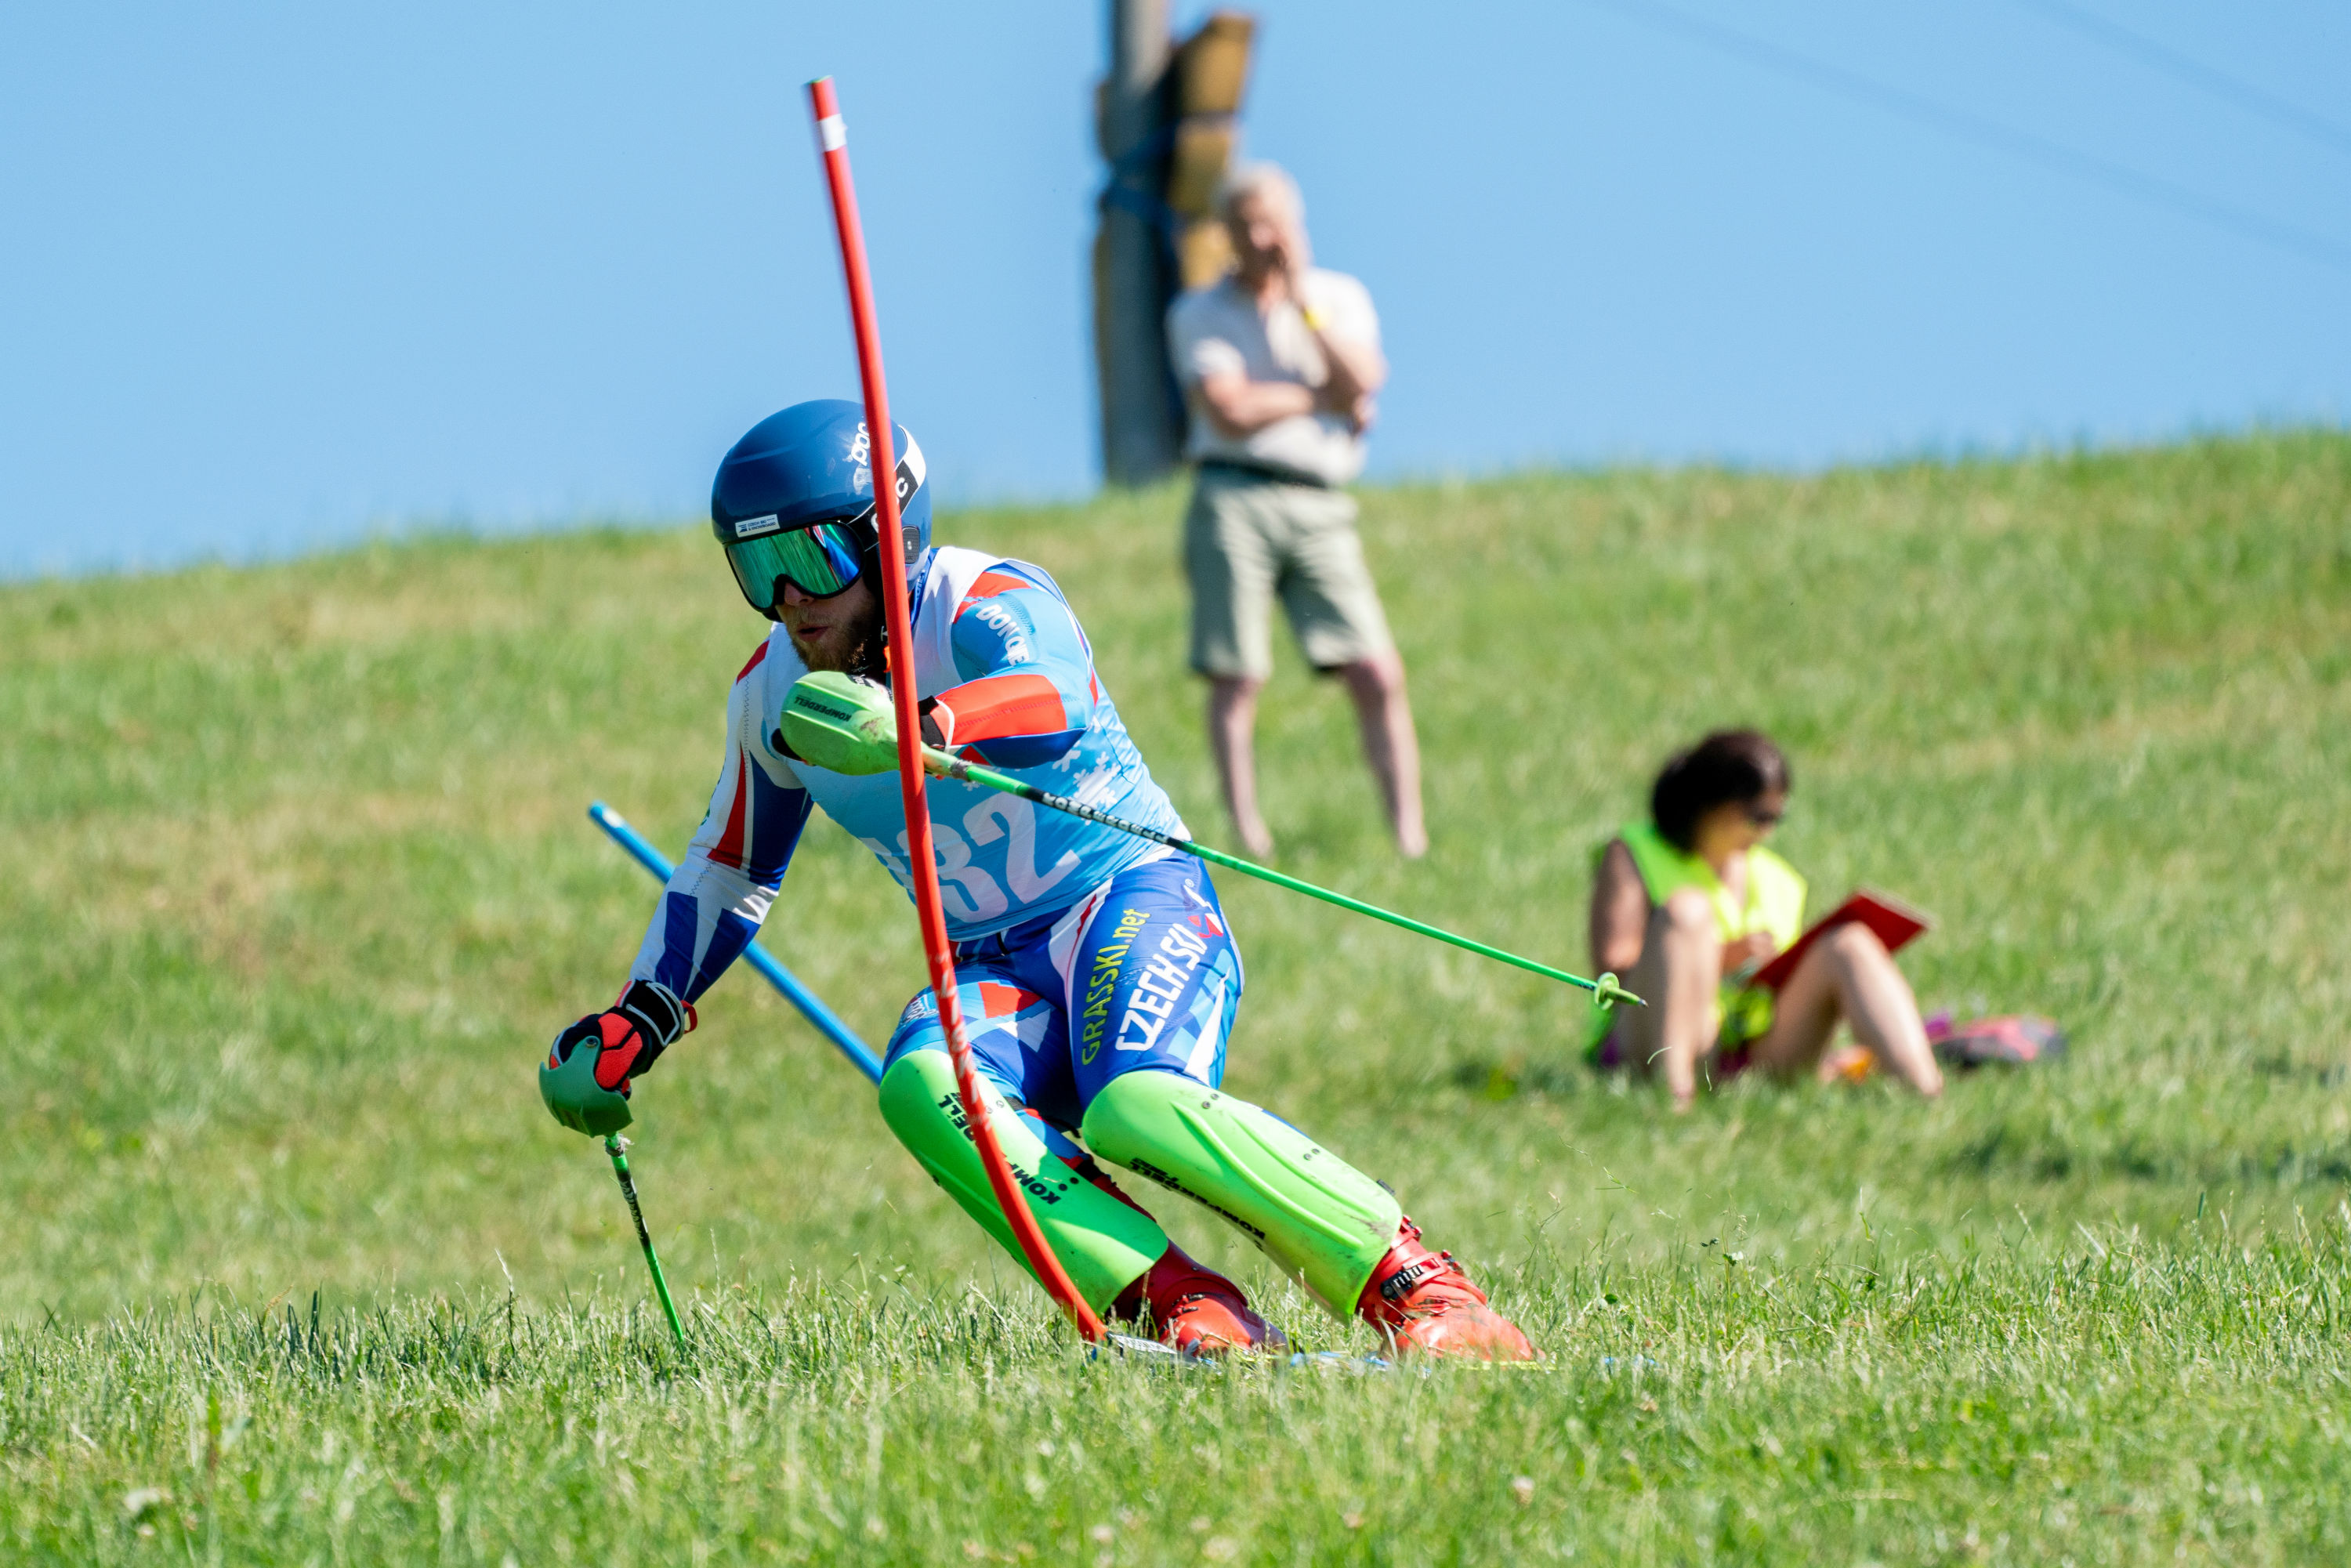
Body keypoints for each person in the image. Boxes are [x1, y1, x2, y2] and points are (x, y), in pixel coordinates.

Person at [538, 400, 1531, 1360]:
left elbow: (1051, 694)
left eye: (809, 558)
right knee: (923, 1085)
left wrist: (923, 730)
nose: (791, 601)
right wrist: (643, 1014)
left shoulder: (983, 596)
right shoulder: (769, 698)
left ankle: (1418, 1288)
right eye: (757, 570)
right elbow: (730, 863)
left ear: (888, 535)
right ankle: (1185, 1308)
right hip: (992, 962)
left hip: (1125, 896)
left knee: (1137, 1106)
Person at [1165, 162, 1425, 860]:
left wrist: (1304, 305)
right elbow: (1230, 407)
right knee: (1237, 670)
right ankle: (1248, 831)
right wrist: (1321, 399)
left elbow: (1366, 376)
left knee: (1377, 669)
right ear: (1226, 233)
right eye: (1244, 223)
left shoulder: (1337, 296)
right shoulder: (1198, 311)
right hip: (1232, 493)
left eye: (1271, 221)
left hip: (1320, 498)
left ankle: (1409, 834)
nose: (1259, 237)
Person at [1585, 730, 1945, 1109]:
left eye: (1777, 817)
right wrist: (1718, 957)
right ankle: (1674, 1099)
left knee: (1850, 942)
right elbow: (1612, 971)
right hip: (1652, 1039)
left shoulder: (1779, 878)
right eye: (1758, 816)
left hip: (1747, 1047)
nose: (1767, 831)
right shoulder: (1635, 853)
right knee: (1687, 911)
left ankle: (1926, 1094)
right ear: (1709, 802)